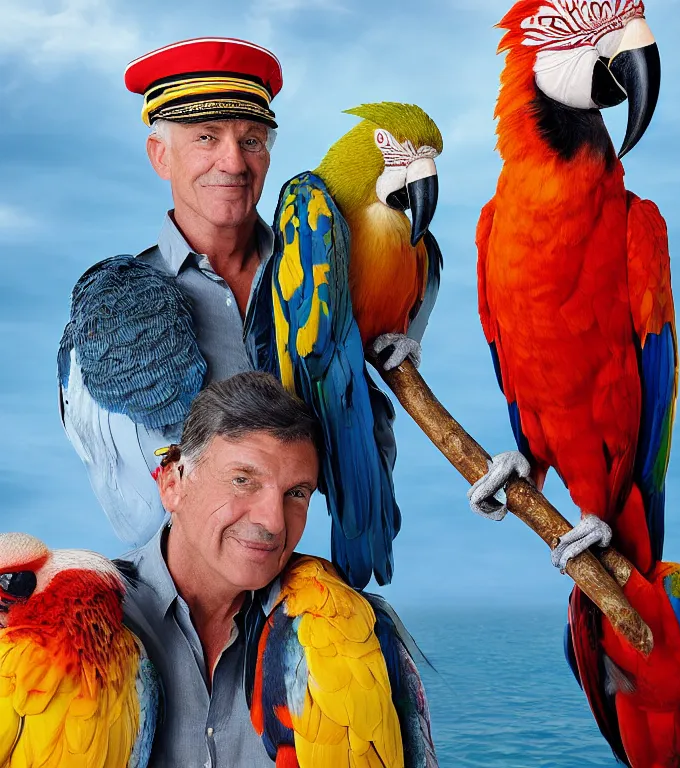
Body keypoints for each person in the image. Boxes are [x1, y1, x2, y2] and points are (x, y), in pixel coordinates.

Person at [121, 370, 437, 766]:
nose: (273, 522)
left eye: (296, 493)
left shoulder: (359, 633)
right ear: (173, 484)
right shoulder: (66, 618)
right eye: (243, 480)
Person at [57, 38, 287, 547]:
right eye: (206, 137)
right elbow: (132, 500)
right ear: (160, 155)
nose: (233, 162)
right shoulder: (118, 307)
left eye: (251, 140)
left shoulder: (315, 280)